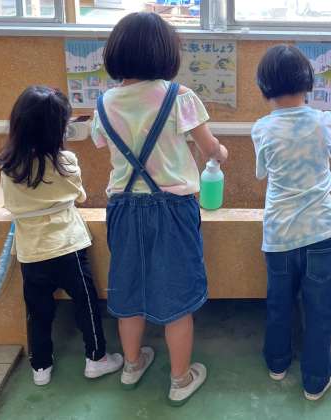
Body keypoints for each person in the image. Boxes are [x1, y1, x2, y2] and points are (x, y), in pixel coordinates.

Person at [91, 12, 228, 406]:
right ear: (166, 54)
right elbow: (209, 147)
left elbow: (103, 144)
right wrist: (220, 152)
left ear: (116, 53)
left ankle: (132, 365)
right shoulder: (179, 97)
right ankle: (180, 378)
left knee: (128, 287)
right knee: (176, 295)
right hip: (173, 210)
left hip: (123, 208)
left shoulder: (104, 103)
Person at [0, 86, 123, 386]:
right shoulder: (65, 161)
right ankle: (96, 358)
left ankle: (40, 367)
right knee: (86, 303)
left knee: (38, 312)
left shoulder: (9, 167)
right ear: (57, 129)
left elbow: (12, 205)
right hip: (68, 246)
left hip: (31, 252)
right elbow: (79, 196)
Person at [251, 45, 331, 401]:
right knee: (319, 310)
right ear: (308, 81)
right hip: (321, 231)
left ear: (264, 87)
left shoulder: (262, 128)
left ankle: (277, 363)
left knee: (279, 304)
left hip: (279, 235)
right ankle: (316, 380)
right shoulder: (326, 122)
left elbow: (262, 172)